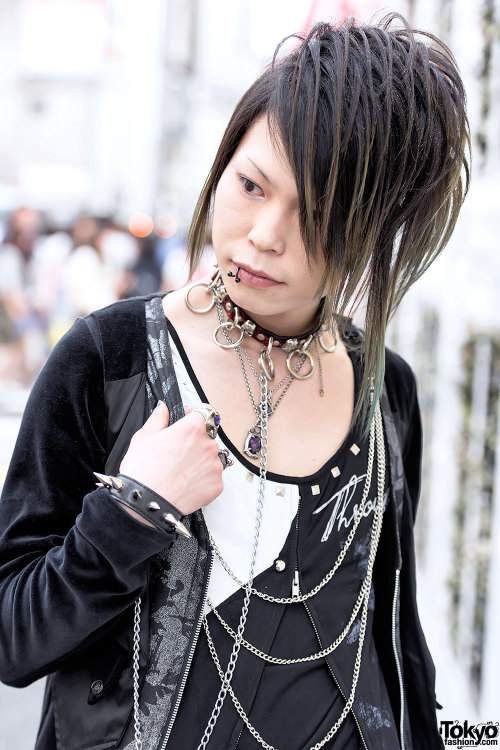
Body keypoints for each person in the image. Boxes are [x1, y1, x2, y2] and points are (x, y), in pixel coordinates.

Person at [0, 13, 469, 750]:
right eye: (250, 185)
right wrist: (131, 513)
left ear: (373, 231)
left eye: (317, 215)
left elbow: (396, 638)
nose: (263, 234)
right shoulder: (110, 359)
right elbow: (13, 637)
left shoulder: (388, 391)